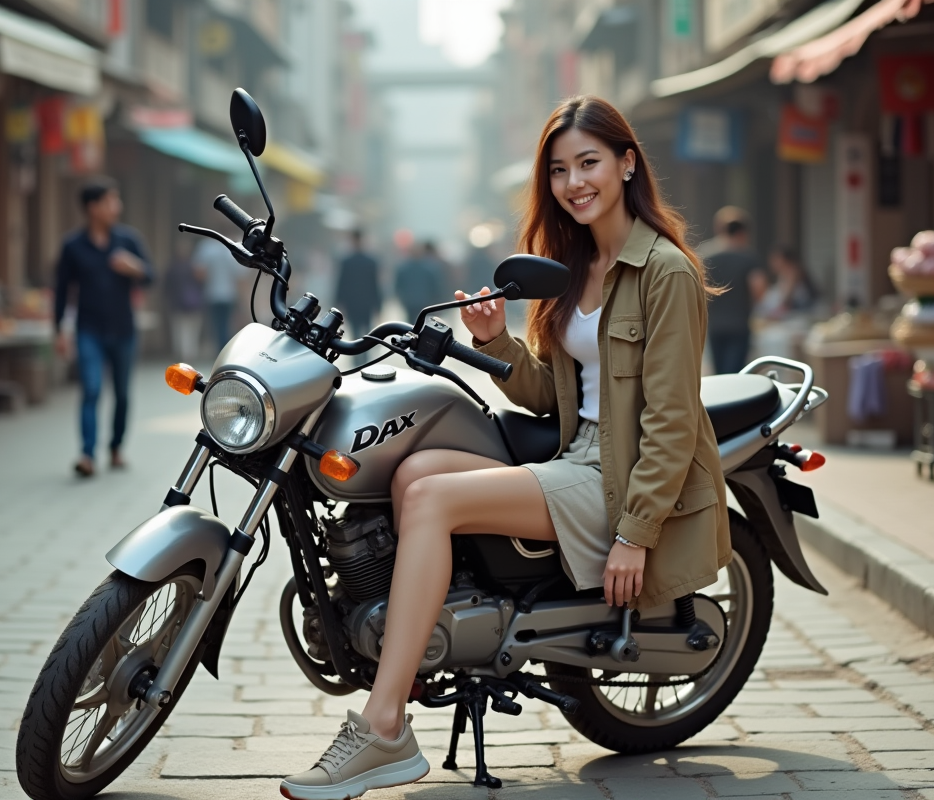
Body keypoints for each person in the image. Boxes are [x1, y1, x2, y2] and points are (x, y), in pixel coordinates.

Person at [281, 96, 731, 800]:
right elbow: (552, 397)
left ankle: (384, 725)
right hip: (577, 455)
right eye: (559, 169)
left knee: (430, 498)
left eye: (589, 163)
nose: (574, 182)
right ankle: (426, 648)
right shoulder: (574, 266)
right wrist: (495, 341)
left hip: (620, 476)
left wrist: (636, 534)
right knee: (416, 468)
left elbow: (672, 419)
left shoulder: (664, 271)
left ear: (626, 163)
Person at [53, 177, 153, 478]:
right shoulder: (73, 246)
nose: (117, 207)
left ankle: (116, 447)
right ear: (93, 207)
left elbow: (150, 276)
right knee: (91, 390)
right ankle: (86, 454)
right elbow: (61, 290)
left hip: (123, 329)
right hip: (89, 331)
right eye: (111, 201)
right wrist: (59, 330)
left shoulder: (128, 240)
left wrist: (133, 267)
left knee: (122, 394)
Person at [701, 207, 765, 373]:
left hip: (714, 325)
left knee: (719, 373)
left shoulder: (706, 256)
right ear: (742, 232)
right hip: (739, 326)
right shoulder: (748, 257)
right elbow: (758, 289)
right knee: (736, 374)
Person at [195, 212, 246, 351]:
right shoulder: (234, 247)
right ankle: (224, 351)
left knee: (217, 326)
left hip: (212, 293)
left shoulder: (206, 247)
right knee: (226, 326)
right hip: (229, 294)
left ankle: (220, 351)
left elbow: (199, 273)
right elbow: (240, 276)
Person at [335, 229, 382, 337]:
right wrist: (378, 305)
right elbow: (375, 285)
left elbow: (341, 284)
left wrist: (338, 302)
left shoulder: (346, 262)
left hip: (352, 302)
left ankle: (359, 352)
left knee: (356, 331)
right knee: (366, 331)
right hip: (366, 303)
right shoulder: (371, 262)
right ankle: (364, 352)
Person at [165, 236, 204, 363]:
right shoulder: (193, 266)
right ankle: (187, 355)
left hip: (183, 304)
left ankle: (185, 355)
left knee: (183, 331)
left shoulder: (175, 266)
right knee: (185, 330)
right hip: (189, 304)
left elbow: (167, 287)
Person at [755, 244, 816, 320]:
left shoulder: (793, 272)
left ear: (786, 260)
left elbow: (786, 300)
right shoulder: (782, 274)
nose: (772, 263)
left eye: (775, 259)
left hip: (804, 313)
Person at [394, 241, 445, 321]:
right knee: (424, 323)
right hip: (423, 302)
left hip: (412, 302)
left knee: (412, 324)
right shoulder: (429, 268)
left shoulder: (404, 268)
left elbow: (398, 286)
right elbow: (435, 287)